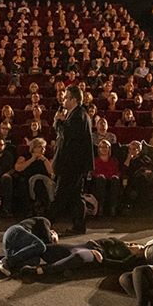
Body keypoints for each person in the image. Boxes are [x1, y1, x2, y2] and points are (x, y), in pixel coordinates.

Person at [52, 85, 94, 236]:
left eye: (66, 98)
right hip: (74, 164)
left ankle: (45, 223)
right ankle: (78, 225)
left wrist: (58, 122)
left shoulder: (78, 116)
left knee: (61, 194)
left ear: (74, 100)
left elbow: (68, 136)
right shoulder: (77, 114)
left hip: (72, 165)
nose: (63, 100)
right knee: (76, 196)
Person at [91, 140, 122, 217]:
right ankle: (100, 207)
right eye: (102, 147)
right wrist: (99, 175)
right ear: (99, 149)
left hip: (112, 179)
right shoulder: (95, 160)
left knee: (115, 180)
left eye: (106, 147)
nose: (104, 149)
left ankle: (113, 207)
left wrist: (115, 176)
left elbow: (117, 171)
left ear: (109, 149)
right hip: (99, 180)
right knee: (100, 179)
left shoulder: (114, 160)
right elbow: (93, 172)